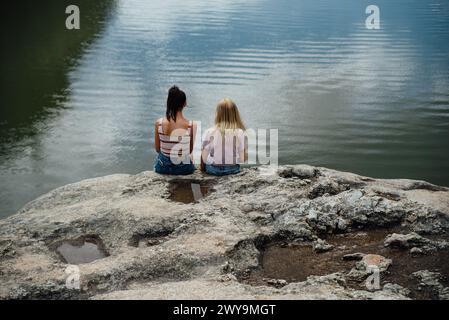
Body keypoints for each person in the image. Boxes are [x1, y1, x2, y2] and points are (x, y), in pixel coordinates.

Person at [154, 86, 197, 175]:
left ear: (168, 103)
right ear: (184, 104)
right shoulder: (191, 125)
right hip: (183, 169)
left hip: (163, 168)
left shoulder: (159, 123)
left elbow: (158, 149)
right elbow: (189, 150)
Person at [201, 98, 247, 176]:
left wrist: (202, 169)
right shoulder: (239, 132)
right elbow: (243, 159)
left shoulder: (209, 131)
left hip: (213, 169)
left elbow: (203, 158)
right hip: (232, 169)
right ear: (235, 114)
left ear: (218, 114)